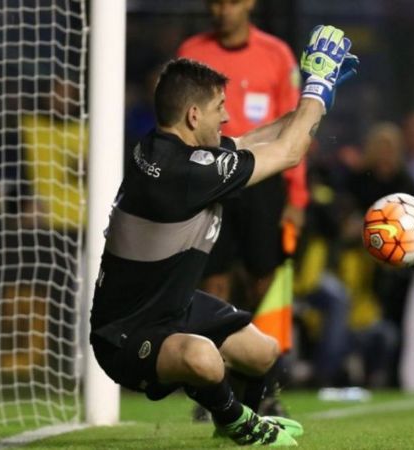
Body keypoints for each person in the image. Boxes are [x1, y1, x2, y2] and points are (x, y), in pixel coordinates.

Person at [89, 26, 355, 446]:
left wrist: (316, 104)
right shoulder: (185, 175)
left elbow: (251, 139)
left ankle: (242, 413)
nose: (226, 117)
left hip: (173, 306)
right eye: (219, 107)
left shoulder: (169, 151)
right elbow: (287, 152)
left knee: (264, 352)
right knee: (205, 359)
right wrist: (316, 87)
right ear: (194, 116)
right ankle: (238, 424)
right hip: (126, 334)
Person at [177, 0, 309, 416]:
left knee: (263, 284)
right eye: (214, 2)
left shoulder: (277, 55)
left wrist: (297, 197)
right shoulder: (192, 51)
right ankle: (214, 387)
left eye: (231, 1)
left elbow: (296, 127)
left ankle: (264, 387)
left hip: (263, 184)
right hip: (209, 180)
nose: (222, 10)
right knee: (211, 285)